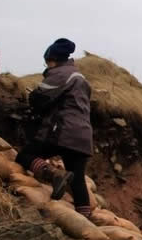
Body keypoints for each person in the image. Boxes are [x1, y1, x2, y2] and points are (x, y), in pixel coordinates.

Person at [15, 38, 94, 217]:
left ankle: (53, 175)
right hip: (83, 136)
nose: (47, 65)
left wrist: (34, 98)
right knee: (78, 180)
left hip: (64, 132)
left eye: (48, 61)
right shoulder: (80, 78)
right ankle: (86, 221)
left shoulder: (61, 73)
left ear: (53, 58)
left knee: (25, 155)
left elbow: (39, 98)